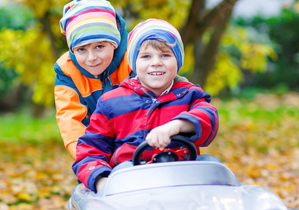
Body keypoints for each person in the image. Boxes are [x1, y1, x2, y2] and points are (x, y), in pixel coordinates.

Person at [72, 19, 219, 192]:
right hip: (132, 180)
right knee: (120, 173)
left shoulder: (189, 94)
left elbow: (208, 116)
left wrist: (176, 126)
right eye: (146, 56)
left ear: (177, 61)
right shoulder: (111, 102)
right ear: (134, 63)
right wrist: (101, 181)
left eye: (165, 55)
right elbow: (90, 149)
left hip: (182, 175)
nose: (156, 62)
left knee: (212, 165)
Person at [55, 0, 134, 158]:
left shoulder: (134, 59)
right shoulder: (67, 69)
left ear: (115, 42)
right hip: (95, 146)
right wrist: (87, 158)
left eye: (99, 46)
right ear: (72, 50)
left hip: (139, 143)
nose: (91, 58)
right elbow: (69, 118)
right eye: (81, 49)